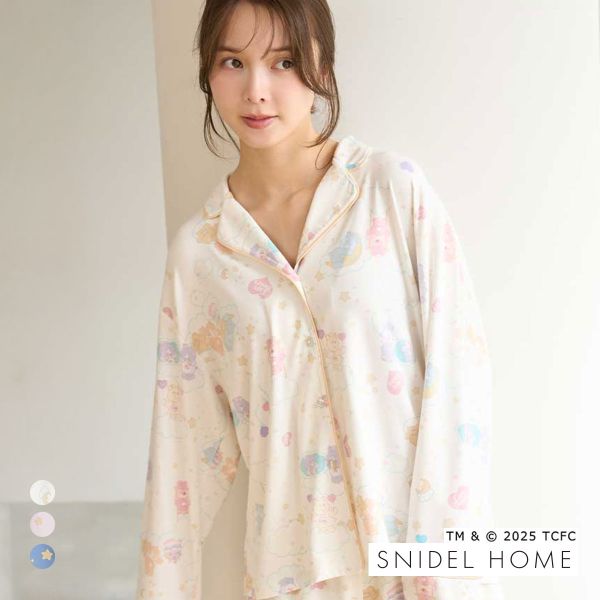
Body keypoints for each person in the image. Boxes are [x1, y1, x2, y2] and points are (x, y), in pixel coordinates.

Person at [135, 1, 504, 599]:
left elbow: (459, 374)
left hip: (421, 566)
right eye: (233, 62)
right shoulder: (201, 257)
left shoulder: (389, 192)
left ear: (322, 68)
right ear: (208, 73)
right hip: (294, 579)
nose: (257, 90)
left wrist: (443, 563)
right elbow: (180, 452)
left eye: (283, 62)